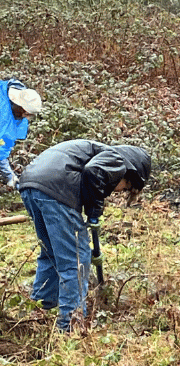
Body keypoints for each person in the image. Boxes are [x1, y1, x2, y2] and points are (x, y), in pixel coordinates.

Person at [17, 139, 152, 332]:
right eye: (125, 187)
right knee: (76, 259)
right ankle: (71, 326)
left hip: (30, 184)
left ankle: (38, 313)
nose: (119, 191)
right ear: (130, 174)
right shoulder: (117, 160)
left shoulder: (97, 151)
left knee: (51, 254)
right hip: (56, 188)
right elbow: (93, 171)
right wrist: (94, 209)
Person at [0, 79, 42, 189]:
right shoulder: (3, 116)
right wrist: (9, 176)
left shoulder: (16, 99)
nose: (25, 117)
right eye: (25, 113)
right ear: (19, 106)